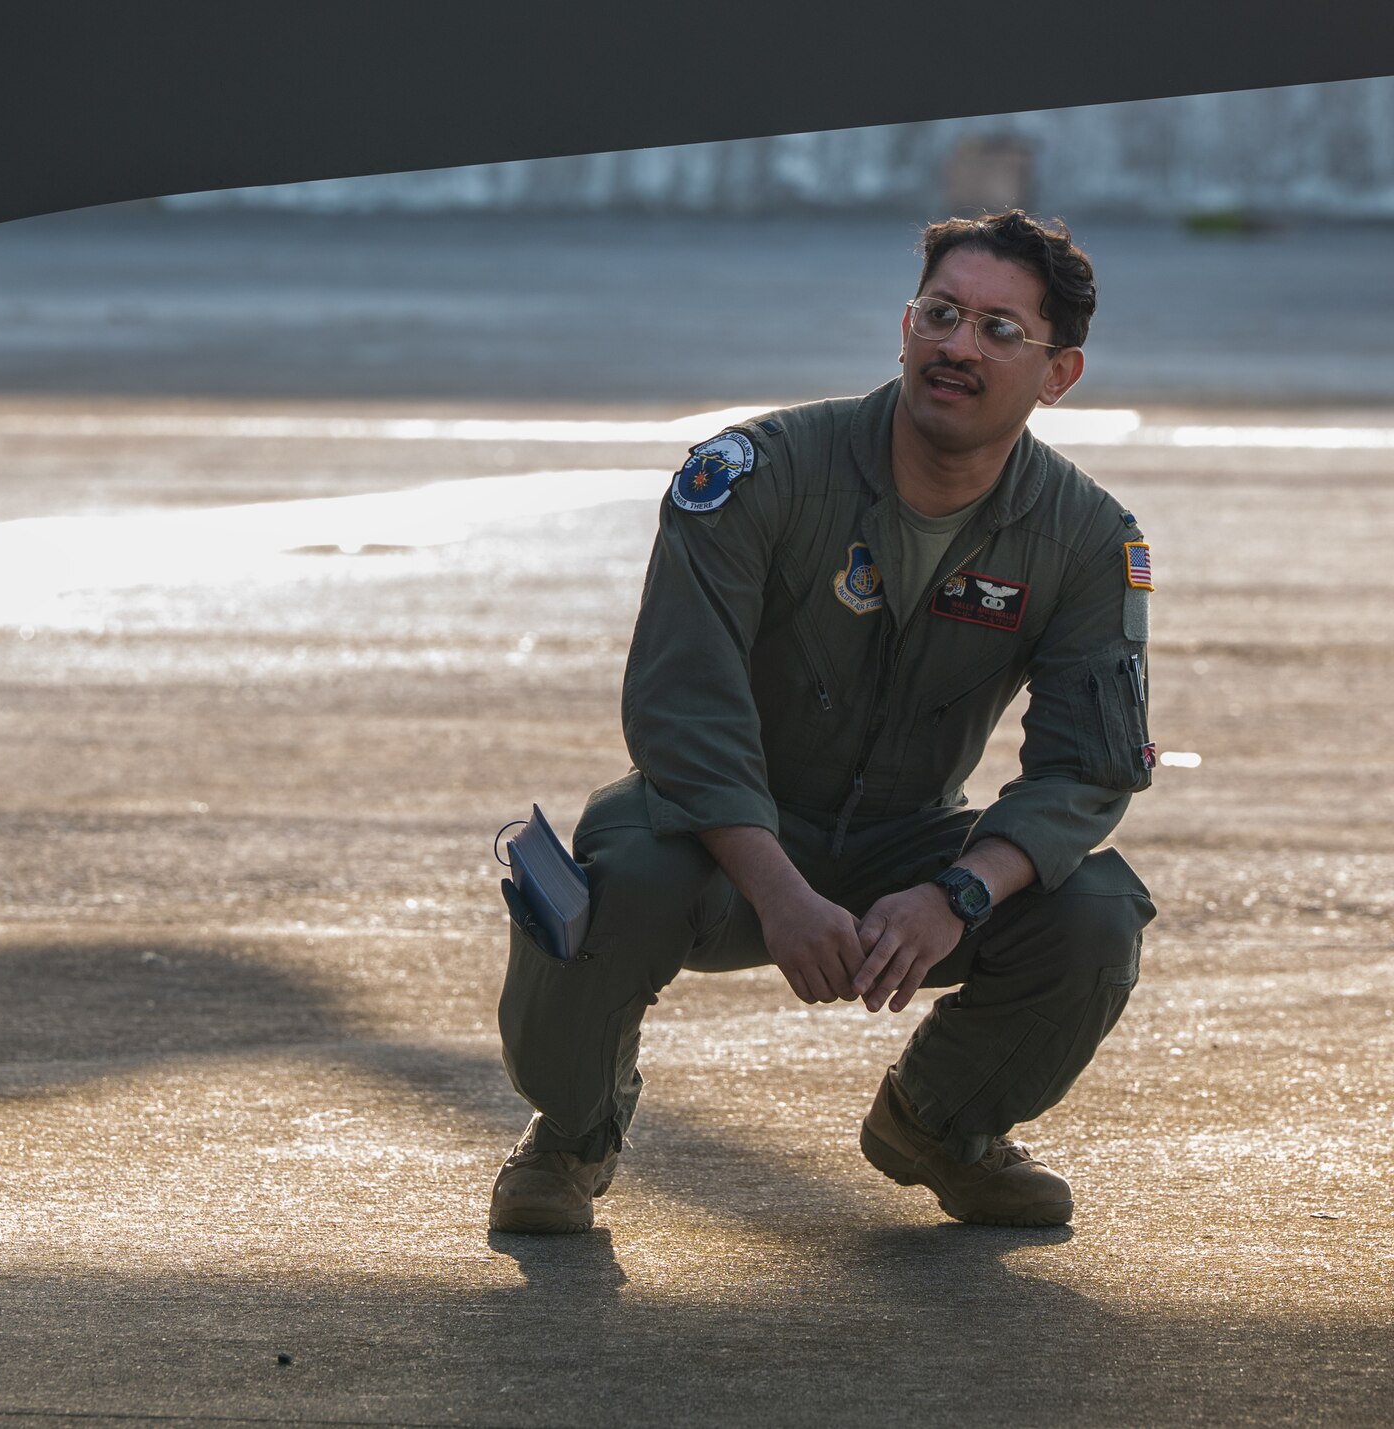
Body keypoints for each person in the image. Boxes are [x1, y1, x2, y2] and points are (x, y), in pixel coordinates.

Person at [491, 210, 1157, 1234]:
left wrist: (959, 895)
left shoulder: (1082, 538)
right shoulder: (755, 475)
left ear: (1055, 373)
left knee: (1093, 909)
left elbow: (1085, 767)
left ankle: (939, 1125)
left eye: (997, 330)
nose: (956, 346)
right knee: (614, 879)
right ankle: (570, 1136)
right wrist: (778, 890)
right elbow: (682, 708)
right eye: (939, 314)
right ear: (903, 324)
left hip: (906, 841)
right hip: (716, 839)